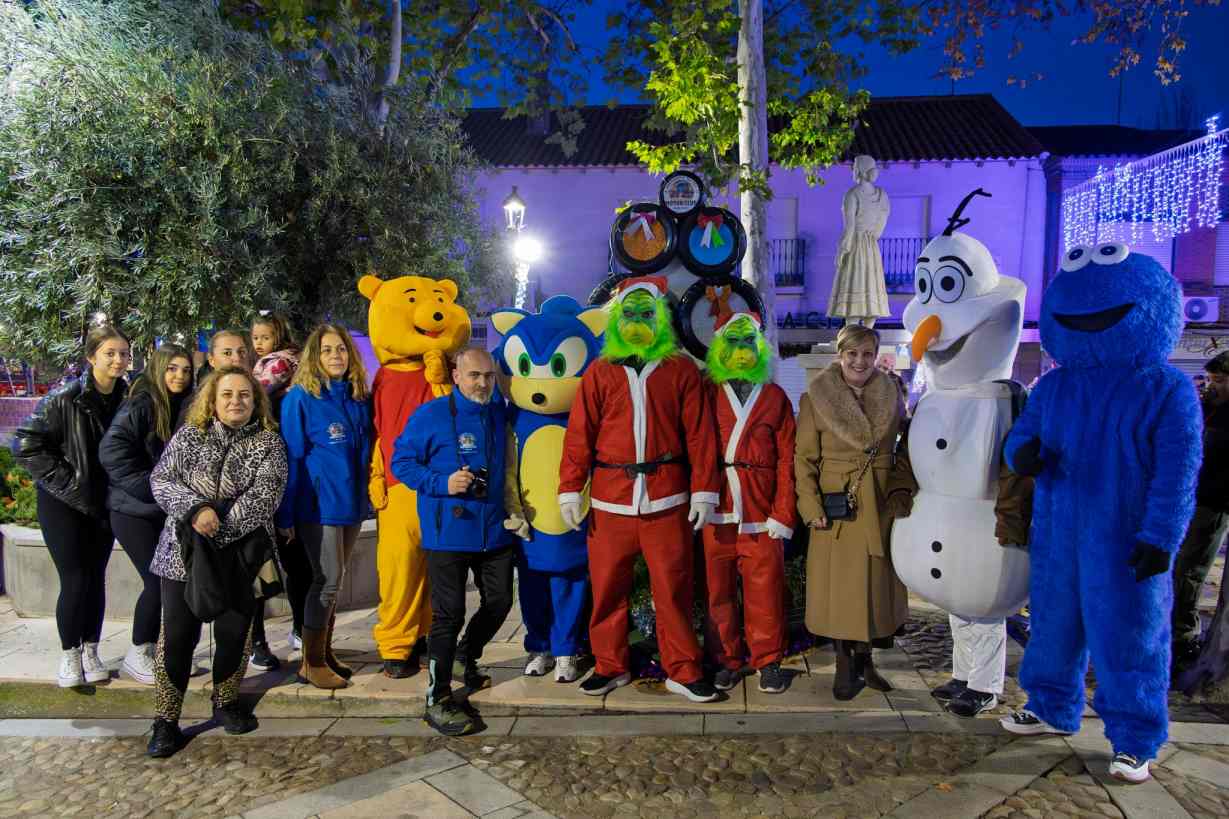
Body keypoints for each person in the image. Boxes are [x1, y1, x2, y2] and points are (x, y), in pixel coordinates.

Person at [559, 275, 721, 704]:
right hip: (610, 501)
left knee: (673, 589)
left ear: (660, 318)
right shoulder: (599, 373)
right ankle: (610, 665)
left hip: (667, 500)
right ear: (617, 320)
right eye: (629, 313)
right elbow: (579, 436)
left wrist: (704, 490)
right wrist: (570, 488)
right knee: (607, 589)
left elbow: (700, 435)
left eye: (645, 313)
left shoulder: (681, 370)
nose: (637, 320)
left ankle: (682, 670)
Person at [146, 366, 288, 758]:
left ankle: (225, 701)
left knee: (234, 633)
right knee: (177, 636)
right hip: (183, 555)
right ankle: (165, 719)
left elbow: (266, 495)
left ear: (255, 400)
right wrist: (196, 510)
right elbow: (162, 480)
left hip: (242, 555)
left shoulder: (269, 442)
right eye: (227, 394)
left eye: (244, 394)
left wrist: (218, 529)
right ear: (212, 399)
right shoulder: (190, 435)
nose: (235, 401)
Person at [391, 346, 517, 736]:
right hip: (447, 533)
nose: (482, 383)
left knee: (500, 601)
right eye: (474, 375)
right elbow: (401, 463)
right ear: (457, 376)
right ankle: (438, 697)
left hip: (494, 529)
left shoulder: (498, 412)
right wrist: (442, 483)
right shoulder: (430, 415)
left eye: (489, 376)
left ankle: (466, 655)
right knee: (449, 615)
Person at [795, 324, 915, 700]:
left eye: (867, 354)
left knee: (875, 589)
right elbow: (803, 458)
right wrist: (810, 505)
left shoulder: (891, 393)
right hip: (838, 505)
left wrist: (900, 490)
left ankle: (866, 662)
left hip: (880, 502)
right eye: (852, 353)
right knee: (841, 590)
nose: (860, 361)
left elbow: (906, 446)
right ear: (840, 354)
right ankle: (844, 665)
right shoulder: (816, 398)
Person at [14, 325, 131, 688]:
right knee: (75, 578)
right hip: (63, 501)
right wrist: (66, 482)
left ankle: (91, 650)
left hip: (102, 502)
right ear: (91, 357)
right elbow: (26, 444)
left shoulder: (128, 397)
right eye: (110, 353)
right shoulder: (65, 397)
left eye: (123, 353)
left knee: (96, 577)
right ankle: (69, 654)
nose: (118, 360)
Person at [702, 312, 796, 694]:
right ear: (721, 347)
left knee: (765, 591)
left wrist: (783, 511)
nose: (741, 349)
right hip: (717, 507)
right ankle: (726, 659)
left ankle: (768, 660)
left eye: (748, 342)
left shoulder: (775, 397)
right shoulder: (707, 393)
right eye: (734, 341)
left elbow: (788, 458)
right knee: (717, 591)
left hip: (762, 510)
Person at [276, 324, 372, 689]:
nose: (335, 356)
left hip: (351, 504)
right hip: (317, 505)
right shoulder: (300, 398)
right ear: (314, 356)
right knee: (326, 581)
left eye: (341, 349)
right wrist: (286, 513)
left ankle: (325, 653)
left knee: (336, 580)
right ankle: (311, 662)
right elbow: (292, 458)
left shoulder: (357, 397)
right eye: (327, 350)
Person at [99, 343, 195, 685]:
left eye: (186, 370)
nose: (180, 376)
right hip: (132, 511)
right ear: (158, 369)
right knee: (156, 580)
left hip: (158, 509)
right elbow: (111, 450)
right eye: (172, 369)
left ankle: (158, 651)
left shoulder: (182, 404)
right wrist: (151, 487)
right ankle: (137, 653)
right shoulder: (142, 403)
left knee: (170, 581)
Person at [250, 312, 311, 662]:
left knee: (294, 562)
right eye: (255, 337)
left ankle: (297, 631)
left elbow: (255, 395)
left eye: (265, 336)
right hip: (270, 479)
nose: (259, 343)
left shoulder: (278, 365)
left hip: (283, 474)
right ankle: (278, 635)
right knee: (287, 563)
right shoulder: (293, 363)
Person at [1171, 351, 1229, 675]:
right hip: (1195, 500)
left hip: (1213, 503)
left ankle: (1183, 638)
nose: (1211, 386)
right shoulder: (1208, 409)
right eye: (1209, 379)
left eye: (1218, 380)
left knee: (1188, 571)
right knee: (1182, 570)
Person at [828, 155, 891, 328]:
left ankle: (851, 334)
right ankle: (868, 333)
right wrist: (872, 236)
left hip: (855, 245)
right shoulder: (882, 196)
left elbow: (849, 228)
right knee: (871, 291)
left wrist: (842, 250)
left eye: (854, 168)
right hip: (871, 246)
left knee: (853, 293)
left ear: (859, 171)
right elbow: (881, 224)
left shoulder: (852, 194)